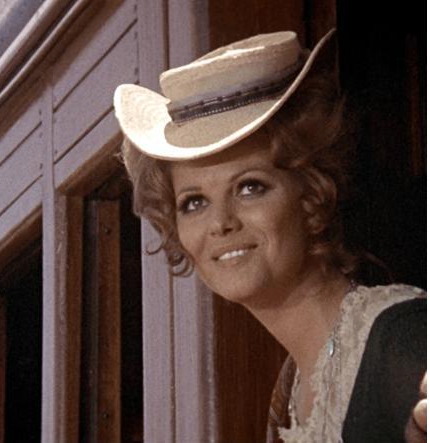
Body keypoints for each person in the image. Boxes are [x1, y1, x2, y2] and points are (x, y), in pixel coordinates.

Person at [113, 29, 426, 442]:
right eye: (194, 202)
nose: (221, 223)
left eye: (250, 187)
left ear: (311, 193)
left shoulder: (407, 339)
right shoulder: (290, 393)